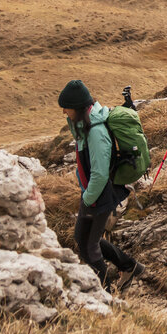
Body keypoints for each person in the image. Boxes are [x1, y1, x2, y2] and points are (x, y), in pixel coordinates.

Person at [58, 79, 141, 289]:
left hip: (100, 194)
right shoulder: (84, 125)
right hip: (93, 192)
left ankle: (104, 292)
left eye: (65, 108)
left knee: (89, 246)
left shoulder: (95, 132)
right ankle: (129, 266)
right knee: (82, 238)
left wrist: (87, 199)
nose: (64, 112)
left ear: (76, 108)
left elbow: (100, 173)